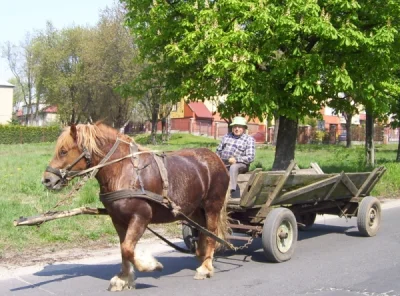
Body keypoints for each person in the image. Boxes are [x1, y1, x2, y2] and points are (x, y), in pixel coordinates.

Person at [216, 116, 255, 196]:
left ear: (244, 128)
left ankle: (232, 190)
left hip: (240, 164)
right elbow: (218, 151)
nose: (237, 129)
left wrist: (236, 159)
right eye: (235, 127)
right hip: (223, 163)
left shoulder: (249, 139)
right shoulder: (226, 136)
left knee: (233, 167)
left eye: (239, 127)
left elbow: (251, 157)